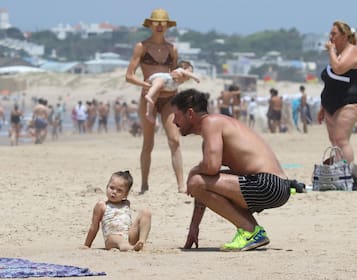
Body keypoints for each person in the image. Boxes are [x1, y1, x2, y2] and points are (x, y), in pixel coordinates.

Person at [171, 89, 292, 252]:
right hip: (278, 186)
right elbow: (206, 184)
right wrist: (194, 226)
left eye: (176, 115)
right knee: (199, 181)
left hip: (268, 184)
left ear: (190, 113)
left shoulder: (211, 123)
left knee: (196, 180)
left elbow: (210, 168)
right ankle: (253, 232)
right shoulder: (215, 126)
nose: (173, 122)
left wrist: (193, 171)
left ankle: (250, 231)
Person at [125, 8, 185, 194]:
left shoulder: (172, 49)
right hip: (148, 98)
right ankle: (144, 185)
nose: (159, 25)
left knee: (174, 140)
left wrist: (180, 78)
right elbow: (129, 76)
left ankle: (181, 185)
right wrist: (146, 85)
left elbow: (175, 74)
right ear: (150, 25)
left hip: (169, 98)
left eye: (163, 22)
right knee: (148, 143)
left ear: (168, 26)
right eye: (156, 22)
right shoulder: (142, 47)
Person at [317, 21, 357, 166]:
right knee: (334, 141)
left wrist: (331, 50)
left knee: (341, 139)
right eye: (330, 33)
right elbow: (330, 83)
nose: (330, 37)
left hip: (349, 102)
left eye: (334, 34)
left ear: (344, 36)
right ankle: (338, 170)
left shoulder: (352, 50)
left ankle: (347, 173)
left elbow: (338, 69)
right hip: (330, 105)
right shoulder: (336, 54)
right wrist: (322, 107)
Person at [83, 170, 152, 251]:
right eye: (111, 188)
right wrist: (87, 245)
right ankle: (129, 248)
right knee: (116, 238)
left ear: (126, 194)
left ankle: (141, 242)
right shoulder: (102, 205)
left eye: (119, 190)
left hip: (129, 237)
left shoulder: (126, 203)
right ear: (107, 186)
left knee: (146, 212)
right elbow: (94, 227)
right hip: (112, 239)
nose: (114, 192)